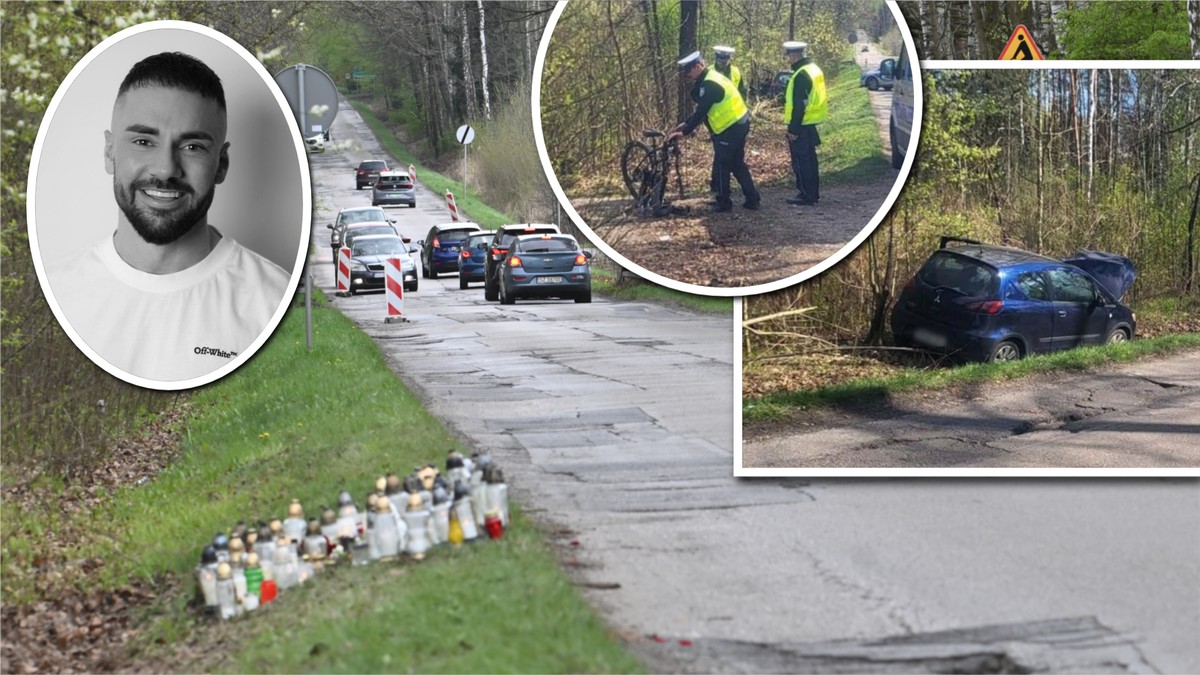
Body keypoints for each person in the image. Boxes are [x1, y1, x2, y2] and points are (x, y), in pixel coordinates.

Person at [49, 51, 289, 383]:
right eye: (143, 141)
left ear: (221, 164)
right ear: (109, 152)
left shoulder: (277, 306)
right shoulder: (52, 296)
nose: (165, 169)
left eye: (192, 147)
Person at [666, 51, 760, 213]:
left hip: (730, 127)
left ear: (698, 66)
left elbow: (702, 111)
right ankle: (752, 198)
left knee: (722, 163)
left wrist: (685, 131)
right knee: (736, 163)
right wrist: (685, 124)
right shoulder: (711, 77)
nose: (687, 75)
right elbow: (701, 109)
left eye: (688, 71)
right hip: (738, 123)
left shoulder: (709, 84)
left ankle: (724, 202)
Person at [782, 41, 827, 206]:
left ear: (794, 55)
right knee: (811, 160)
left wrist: (793, 129)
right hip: (811, 122)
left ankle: (805, 194)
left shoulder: (801, 74)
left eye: (788, 56)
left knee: (801, 161)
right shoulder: (814, 69)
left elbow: (799, 105)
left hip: (801, 123)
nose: (788, 59)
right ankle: (813, 192)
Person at [709, 45, 747, 195]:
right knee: (719, 154)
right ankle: (717, 184)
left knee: (734, 154)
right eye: (720, 59)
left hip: (735, 119)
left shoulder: (736, 72)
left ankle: (722, 186)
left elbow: (742, 92)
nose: (723, 62)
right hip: (717, 120)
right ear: (716, 58)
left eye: (725, 59)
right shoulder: (710, 72)